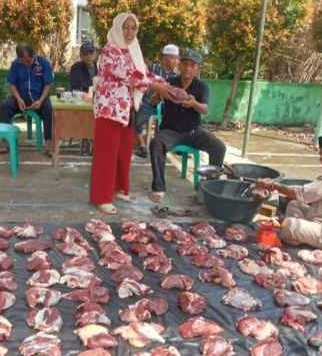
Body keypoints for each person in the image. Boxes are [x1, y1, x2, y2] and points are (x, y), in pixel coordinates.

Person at [90, 12, 170, 215]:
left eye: (133, 28)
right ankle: (102, 197)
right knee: (106, 154)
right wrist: (157, 86)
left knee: (124, 151)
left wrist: (164, 83)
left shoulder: (133, 49)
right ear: (117, 27)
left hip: (128, 108)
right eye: (125, 27)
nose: (129, 31)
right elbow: (130, 76)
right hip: (110, 109)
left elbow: (142, 72)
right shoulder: (110, 49)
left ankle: (117, 188)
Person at [149, 49, 225, 202]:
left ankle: (208, 187)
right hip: (170, 131)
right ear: (179, 65)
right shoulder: (170, 82)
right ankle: (159, 187)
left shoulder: (202, 87)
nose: (188, 68)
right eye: (185, 64)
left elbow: (204, 109)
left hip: (193, 132)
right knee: (156, 143)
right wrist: (158, 95)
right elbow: (152, 102)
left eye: (192, 65)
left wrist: (193, 103)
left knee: (219, 147)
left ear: (197, 68)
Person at [0, 43, 54, 157]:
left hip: (39, 98)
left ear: (34, 55)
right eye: (23, 61)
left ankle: (48, 142)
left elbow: (48, 84)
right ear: (19, 58)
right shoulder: (15, 64)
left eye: (29, 60)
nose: (26, 63)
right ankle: (5, 141)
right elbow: (12, 84)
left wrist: (41, 100)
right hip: (20, 97)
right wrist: (18, 99)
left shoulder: (44, 63)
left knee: (49, 109)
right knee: (5, 105)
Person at [135, 44, 179, 158]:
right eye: (174, 58)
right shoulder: (152, 69)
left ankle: (165, 145)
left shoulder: (176, 76)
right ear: (165, 58)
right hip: (148, 103)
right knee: (136, 119)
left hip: (165, 106)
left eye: (176, 58)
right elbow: (142, 82)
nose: (176, 61)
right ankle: (142, 146)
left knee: (174, 118)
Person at [69, 40, 98, 156]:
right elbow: (75, 87)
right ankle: (86, 141)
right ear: (81, 55)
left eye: (91, 53)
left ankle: (95, 142)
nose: (88, 56)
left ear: (95, 54)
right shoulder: (76, 68)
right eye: (85, 54)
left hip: (98, 100)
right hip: (82, 99)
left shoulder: (100, 67)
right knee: (86, 113)